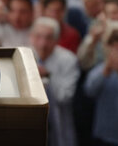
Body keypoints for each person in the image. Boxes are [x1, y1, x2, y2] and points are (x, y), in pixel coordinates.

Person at [29, 17, 79, 146]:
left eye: (49, 38)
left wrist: (47, 76)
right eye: (38, 36)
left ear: (57, 40)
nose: (43, 43)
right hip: (30, 123)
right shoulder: (23, 56)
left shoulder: (69, 60)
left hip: (58, 123)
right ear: (31, 37)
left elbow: (65, 97)